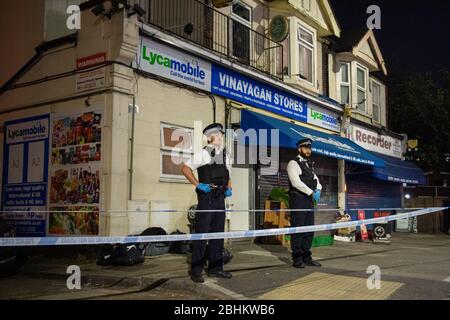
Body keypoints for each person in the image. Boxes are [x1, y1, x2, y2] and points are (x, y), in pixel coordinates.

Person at [182, 123, 233, 283]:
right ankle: (196, 270)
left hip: (220, 198)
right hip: (207, 197)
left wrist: (229, 188)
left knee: (218, 235)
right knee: (202, 235)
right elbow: (185, 169)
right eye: (217, 134)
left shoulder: (226, 155)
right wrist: (198, 184)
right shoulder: (203, 154)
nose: (220, 137)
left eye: (221, 134)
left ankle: (216, 269)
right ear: (210, 137)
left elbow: (228, 175)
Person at [286, 138, 322, 268]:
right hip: (298, 200)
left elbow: (316, 180)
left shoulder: (308, 165)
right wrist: (312, 193)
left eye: (309, 148)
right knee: (298, 230)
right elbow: (296, 183)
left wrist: (318, 190)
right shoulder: (293, 163)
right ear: (299, 149)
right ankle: (297, 258)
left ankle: (307, 256)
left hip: (308, 201)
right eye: (306, 148)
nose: (308, 150)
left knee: (309, 230)